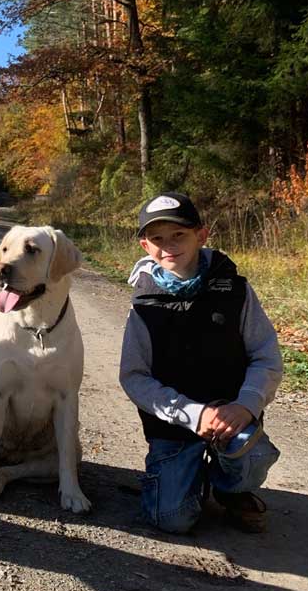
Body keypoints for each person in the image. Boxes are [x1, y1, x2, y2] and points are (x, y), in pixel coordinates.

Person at [119, 192, 282, 533]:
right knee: (172, 519)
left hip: (232, 417)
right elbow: (134, 377)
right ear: (145, 246)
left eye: (179, 234)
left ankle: (231, 488)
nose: (169, 246)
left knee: (249, 453)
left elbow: (265, 356)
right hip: (174, 425)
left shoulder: (236, 291)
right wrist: (192, 415)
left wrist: (246, 406)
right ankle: (186, 475)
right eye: (158, 239)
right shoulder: (143, 306)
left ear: (202, 235)